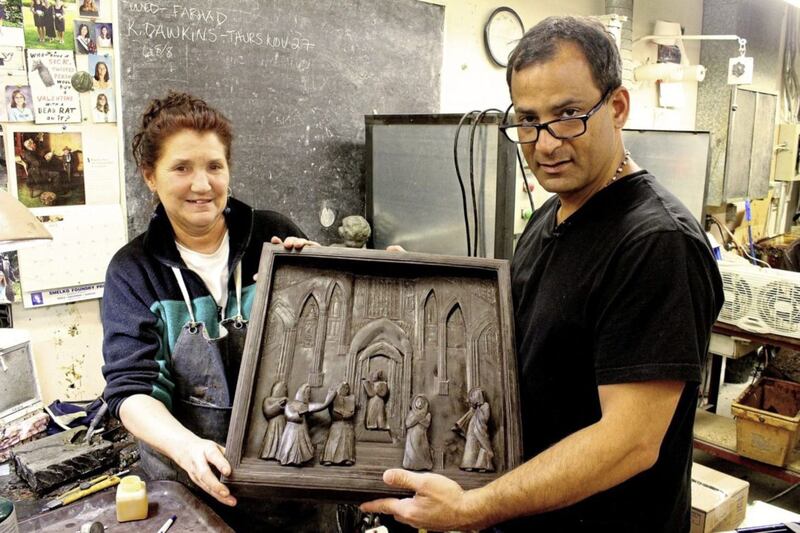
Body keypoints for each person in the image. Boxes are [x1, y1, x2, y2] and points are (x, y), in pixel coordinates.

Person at [362, 16, 723, 532]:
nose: (545, 144)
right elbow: (512, 321)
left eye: (568, 115)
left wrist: (472, 508)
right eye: (528, 121)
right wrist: (404, 282)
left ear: (617, 107)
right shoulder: (552, 215)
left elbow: (630, 443)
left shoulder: (654, 244)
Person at [100, 92, 319, 527]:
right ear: (150, 176)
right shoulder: (133, 272)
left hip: (291, 479)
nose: (202, 185)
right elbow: (131, 390)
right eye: (181, 168)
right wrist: (186, 447)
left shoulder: (273, 236)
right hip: (189, 486)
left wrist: (322, 275)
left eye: (214, 167)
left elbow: (326, 349)